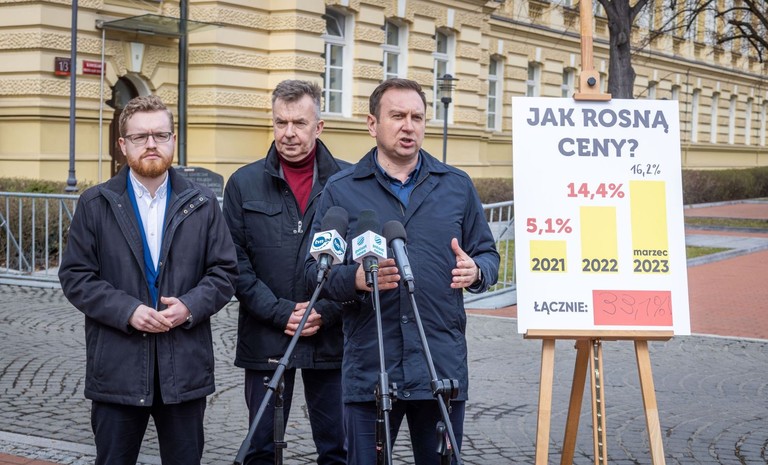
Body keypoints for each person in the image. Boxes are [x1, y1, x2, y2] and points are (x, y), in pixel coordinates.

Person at [305, 78, 500, 465]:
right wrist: (354, 280)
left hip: (439, 366)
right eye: (397, 116)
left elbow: (489, 255)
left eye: (417, 117)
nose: (408, 126)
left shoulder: (456, 186)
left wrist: (476, 270)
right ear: (372, 124)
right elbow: (314, 271)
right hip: (372, 369)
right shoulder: (341, 190)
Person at [58, 95, 238, 465]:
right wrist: (128, 311)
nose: (151, 144)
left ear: (174, 140)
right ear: (122, 144)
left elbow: (224, 272)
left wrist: (189, 306)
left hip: (184, 368)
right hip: (118, 369)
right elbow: (76, 276)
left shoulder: (202, 203)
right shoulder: (95, 204)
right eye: (140, 137)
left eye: (161, 135)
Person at [223, 80, 349, 465]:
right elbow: (234, 264)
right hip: (266, 337)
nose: (289, 133)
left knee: (339, 450)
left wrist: (325, 311)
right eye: (281, 122)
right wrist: (281, 312)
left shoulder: (348, 183)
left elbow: (361, 265)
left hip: (332, 340)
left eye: (299, 123)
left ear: (319, 126)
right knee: (260, 449)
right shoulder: (243, 184)